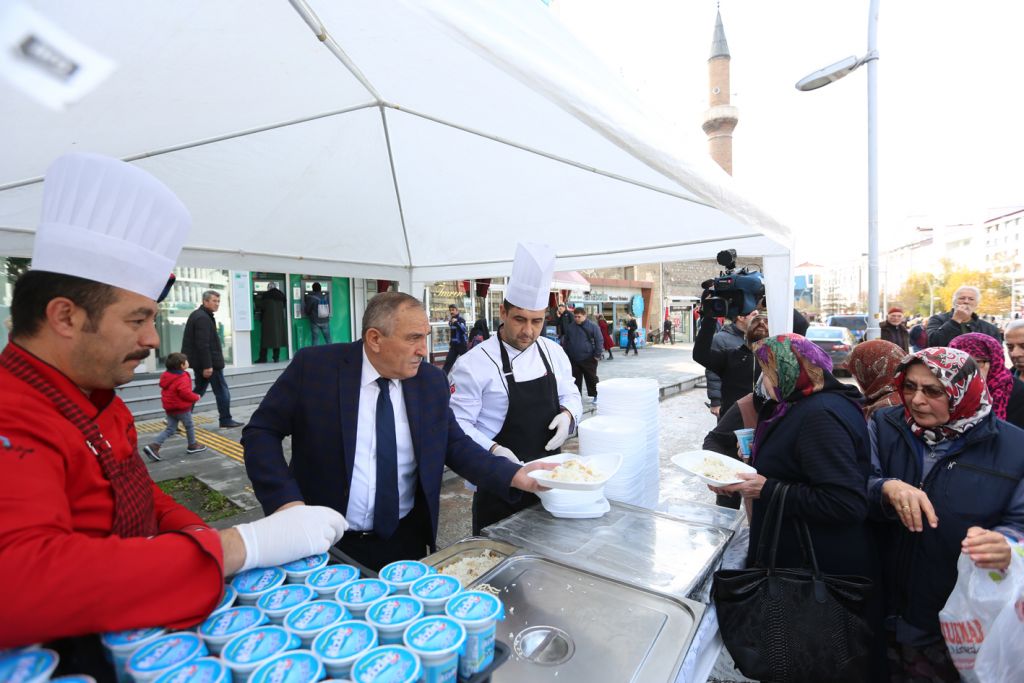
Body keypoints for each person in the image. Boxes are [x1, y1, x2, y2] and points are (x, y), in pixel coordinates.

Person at [0, 153, 347, 656]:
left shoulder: (97, 395)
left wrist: (198, 537)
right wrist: (237, 546)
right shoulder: (14, 412)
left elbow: (135, 496)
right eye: (137, 319)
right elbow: (21, 583)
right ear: (65, 317)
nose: (149, 339)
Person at [241, 291, 555, 571]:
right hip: (325, 543)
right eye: (413, 338)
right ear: (375, 339)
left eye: (426, 336)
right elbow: (261, 432)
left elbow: (454, 444)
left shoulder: (429, 382)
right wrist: (286, 504)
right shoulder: (316, 369)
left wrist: (514, 474)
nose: (423, 349)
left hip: (405, 542)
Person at [716, 333, 884, 680]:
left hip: (817, 573)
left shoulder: (821, 414)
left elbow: (845, 501)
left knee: (813, 663)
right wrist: (749, 477)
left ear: (795, 370)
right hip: (802, 564)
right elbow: (800, 470)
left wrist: (769, 489)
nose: (764, 381)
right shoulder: (799, 405)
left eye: (769, 371)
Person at [867, 348, 1024, 680]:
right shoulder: (885, 424)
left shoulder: (1014, 448)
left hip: (955, 622)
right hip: (879, 606)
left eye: (933, 391)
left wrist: (1006, 543)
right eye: (909, 386)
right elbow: (854, 483)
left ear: (964, 391)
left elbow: (1019, 522)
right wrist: (885, 487)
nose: (916, 400)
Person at [449, 243, 582, 534]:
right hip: (499, 485)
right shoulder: (473, 364)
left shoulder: (552, 351)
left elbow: (571, 392)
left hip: (552, 482)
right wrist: (494, 449)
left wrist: (569, 415)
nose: (528, 331)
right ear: (503, 312)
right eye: (520, 319)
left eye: (537, 321)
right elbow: (457, 424)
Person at [181, 290, 242, 429]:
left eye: (218, 301)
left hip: (203, 362)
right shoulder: (202, 318)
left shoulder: (201, 315)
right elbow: (203, 344)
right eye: (214, 301)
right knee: (222, 391)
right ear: (205, 301)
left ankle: (179, 415)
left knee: (198, 391)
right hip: (209, 363)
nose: (217, 304)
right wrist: (208, 366)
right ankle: (225, 419)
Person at [694, 309, 764, 420]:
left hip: (762, 420)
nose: (759, 320)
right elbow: (701, 356)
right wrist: (710, 316)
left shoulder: (774, 358)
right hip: (733, 417)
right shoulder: (731, 355)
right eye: (755, 316)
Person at [951, 332, 1024, 429]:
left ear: (994, 363)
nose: (968, 370)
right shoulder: (944, 394)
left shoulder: (1018, 394)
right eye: (960, 363)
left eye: (977, 362)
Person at [142, 352, 207, 461]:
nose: (188, 362)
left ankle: (154, 446)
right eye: (186, 361)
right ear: (182, 365)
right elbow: (184, 393)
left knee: (171, 428)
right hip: (182, 408)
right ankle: (192, 445)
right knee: (189, 426)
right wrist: (196, 397)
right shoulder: (182, 377)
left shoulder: (166, 375)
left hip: (170, 408)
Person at [846, 339, 907, 419]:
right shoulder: (907, 393)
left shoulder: (883, 409)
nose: (855, 378)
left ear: (868, 373)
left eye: (856, 373)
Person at [926, 285, 1001, 346]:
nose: (966, 301)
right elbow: (933, 343)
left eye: (971, 299)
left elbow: (997, 355)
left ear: (977, 304)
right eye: (962, 298)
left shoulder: (990, 329)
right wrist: (955, 321)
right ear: (954, 302)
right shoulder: (937, 320)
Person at [562, 306, 603, 404]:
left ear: (585, 316)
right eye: (575, 316)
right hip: (573, 358)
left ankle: (596, 395)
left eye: (579, 317)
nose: (576, 318)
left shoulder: (593, 326)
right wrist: (566, 354)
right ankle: (576, 397)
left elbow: (599, 340)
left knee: (591, 378)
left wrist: (597, 355)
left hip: (589, 358)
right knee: (575, 380)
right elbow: (566, 341)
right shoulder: (571, 326)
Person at [256, 282, 287, 363]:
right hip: (279, 321)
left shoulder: (266, 295)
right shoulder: (281, 295)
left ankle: (263, 358)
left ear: (269, 288)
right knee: (277, 339)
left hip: (267, 320)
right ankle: (276, 358)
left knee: (265, 339)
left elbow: (261, 307)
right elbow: (284, 306)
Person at [442, 304, 468, 375]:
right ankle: (442, 378)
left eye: (453, 310)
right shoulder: (451, 321)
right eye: (450, 310)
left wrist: (456, 322)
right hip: (454, 346)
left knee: (466, 363)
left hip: (462, 345)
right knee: (448, 362)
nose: (451, 312)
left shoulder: (461, 320)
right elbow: (453, 333)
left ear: (457, 310)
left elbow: (464, 330)